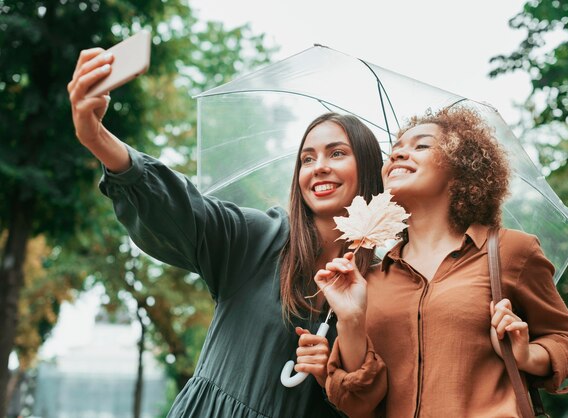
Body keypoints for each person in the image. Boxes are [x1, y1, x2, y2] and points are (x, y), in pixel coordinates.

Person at [67, 47, 383, 417]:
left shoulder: (383, 283)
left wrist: (330, 375)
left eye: (337, 153)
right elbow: (184, 211)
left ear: (368, 166)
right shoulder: (258, 238)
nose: (319, 168)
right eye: (307, 158)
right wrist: (98, 139)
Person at [314, 106, 568, 417]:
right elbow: (357, 404)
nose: (398, 155)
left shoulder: (509, 251)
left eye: (421, 145)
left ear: (461, 166)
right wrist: (350, 321)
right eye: (394, 152)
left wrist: (526, 354)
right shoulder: (370, 281)